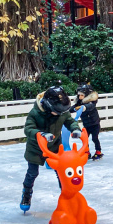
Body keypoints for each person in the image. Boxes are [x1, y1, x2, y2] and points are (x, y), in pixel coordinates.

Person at [20, 84, 80, 212]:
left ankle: (66, 194)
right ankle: (26, 193)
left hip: (54, 147)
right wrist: (40, 134)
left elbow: (69, 121)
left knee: (60, 172)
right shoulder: (35, 113)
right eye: (57, 112)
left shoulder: (61, 112)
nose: (60, 114)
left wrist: (75, 129)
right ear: (47, 106)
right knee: (32, 173)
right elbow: (28, 129)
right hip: (36, 148)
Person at [75, 84, 103, 160]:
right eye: (79, 95)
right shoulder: (79, 102)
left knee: (94, 138)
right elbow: (73, 107)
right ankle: (87, 151)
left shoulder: (92, 101)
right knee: (85, 139)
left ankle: (98, 151)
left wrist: (84, 107)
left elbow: (90, 106)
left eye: (82, 95)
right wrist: (69, 109)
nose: (80, 97)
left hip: (94, 124)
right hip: (86, 124)